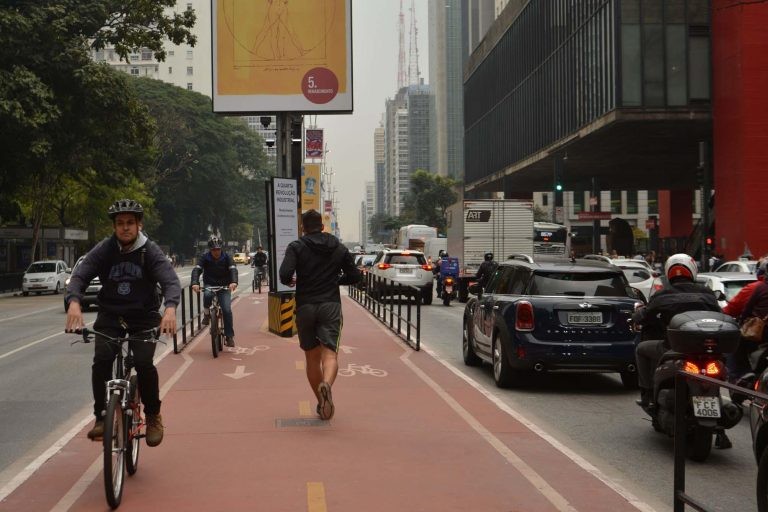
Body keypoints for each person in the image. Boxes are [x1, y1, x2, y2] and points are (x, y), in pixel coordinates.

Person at [65, 199, 181, 446]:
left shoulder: (149, 251)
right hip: (111, 315)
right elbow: (80, 276)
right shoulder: (105, 249)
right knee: (102, 359)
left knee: (143, 362)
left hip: (144, 317)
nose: (125, 228)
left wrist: (170, 308)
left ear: (139, 224)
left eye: (130, 223)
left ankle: (152, 416)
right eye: (120, 223)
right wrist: (74, 301)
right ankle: (101, 416)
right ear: (114, 227)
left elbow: (170, 281)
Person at [279, 209, 361, 420]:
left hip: (305, 305)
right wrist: (336, 280)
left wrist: (292, 280)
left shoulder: (296, 247)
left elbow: (285, 275)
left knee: (311, 358)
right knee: (330, 354)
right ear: (322, 226)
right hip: (330, 305)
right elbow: (355, 276)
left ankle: (320, 401)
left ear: (303, 227)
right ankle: (327, 384)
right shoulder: (338, 247)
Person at [632, 253, 721, 408]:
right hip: (706, 350)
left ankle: (647, 393)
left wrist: (637, 315)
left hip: (672, 349)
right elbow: (720, 316)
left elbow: (643, 317)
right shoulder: (707, 293)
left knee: (641, 349)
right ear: (693, 270)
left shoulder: (662, 295)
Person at [723, 260, 768, 380]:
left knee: (734, 346)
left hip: (760, 333)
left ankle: (737, 377)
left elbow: (741, 309)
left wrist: (741, 321)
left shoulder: (757, 287)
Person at [191, 236, 239, 347]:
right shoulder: (204, 257)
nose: (216, 252)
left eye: (218, 249)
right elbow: (197, 269)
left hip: (224, 285)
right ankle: (207, 314)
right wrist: (195, 283)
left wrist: (234, 282)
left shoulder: (227, 257)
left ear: (221, 249)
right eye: (213, 250)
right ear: (210, 250)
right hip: (210, 284)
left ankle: (229, 336)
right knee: (207, 295)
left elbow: (233, 269)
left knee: (226, 310)